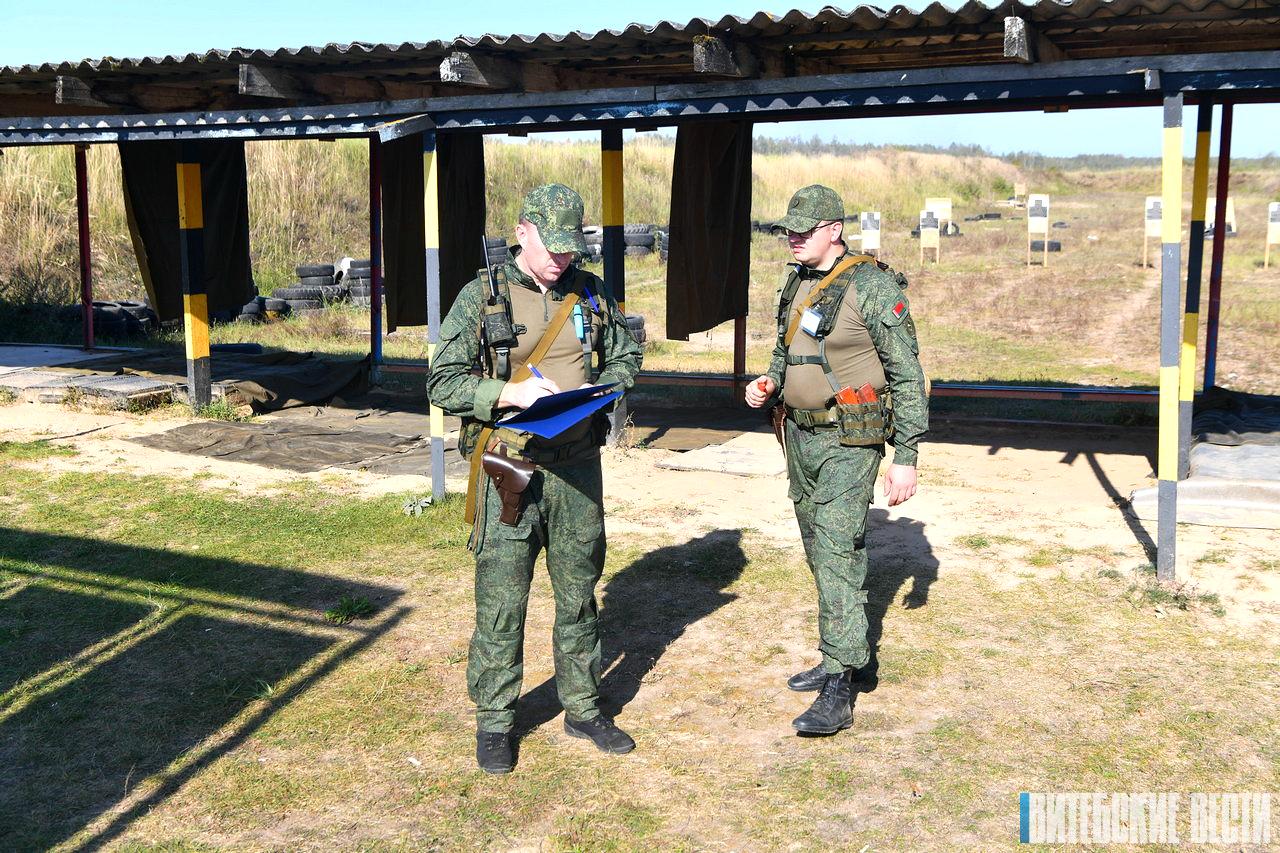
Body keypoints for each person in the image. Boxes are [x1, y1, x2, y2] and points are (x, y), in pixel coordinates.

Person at [425, 183, 643, 773]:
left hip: (576, 470)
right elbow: (441, 384)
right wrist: (506, 393)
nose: (562, 259)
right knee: (502, 599)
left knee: (579, 593)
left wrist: (603, 393)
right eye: (552, 246)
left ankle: (583, 706)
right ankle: (496, 721)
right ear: (523, 231)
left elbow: (627, 355)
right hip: (509, 472)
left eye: (572, 248)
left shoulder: (591, 293)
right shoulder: (482, 297)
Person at [745, 184, 928, 735]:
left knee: (835, 548)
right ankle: (843, 656)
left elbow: (907, 372)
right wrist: (769, 382)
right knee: (818, 548)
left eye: (804, 230)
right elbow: (785, 348)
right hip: (798, 437)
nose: (793, 238)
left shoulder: (871, 286)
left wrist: (907, 455)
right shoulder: (797, 282)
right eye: (789, 230)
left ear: (834, 229)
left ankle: (841, 686)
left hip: (852, 438)